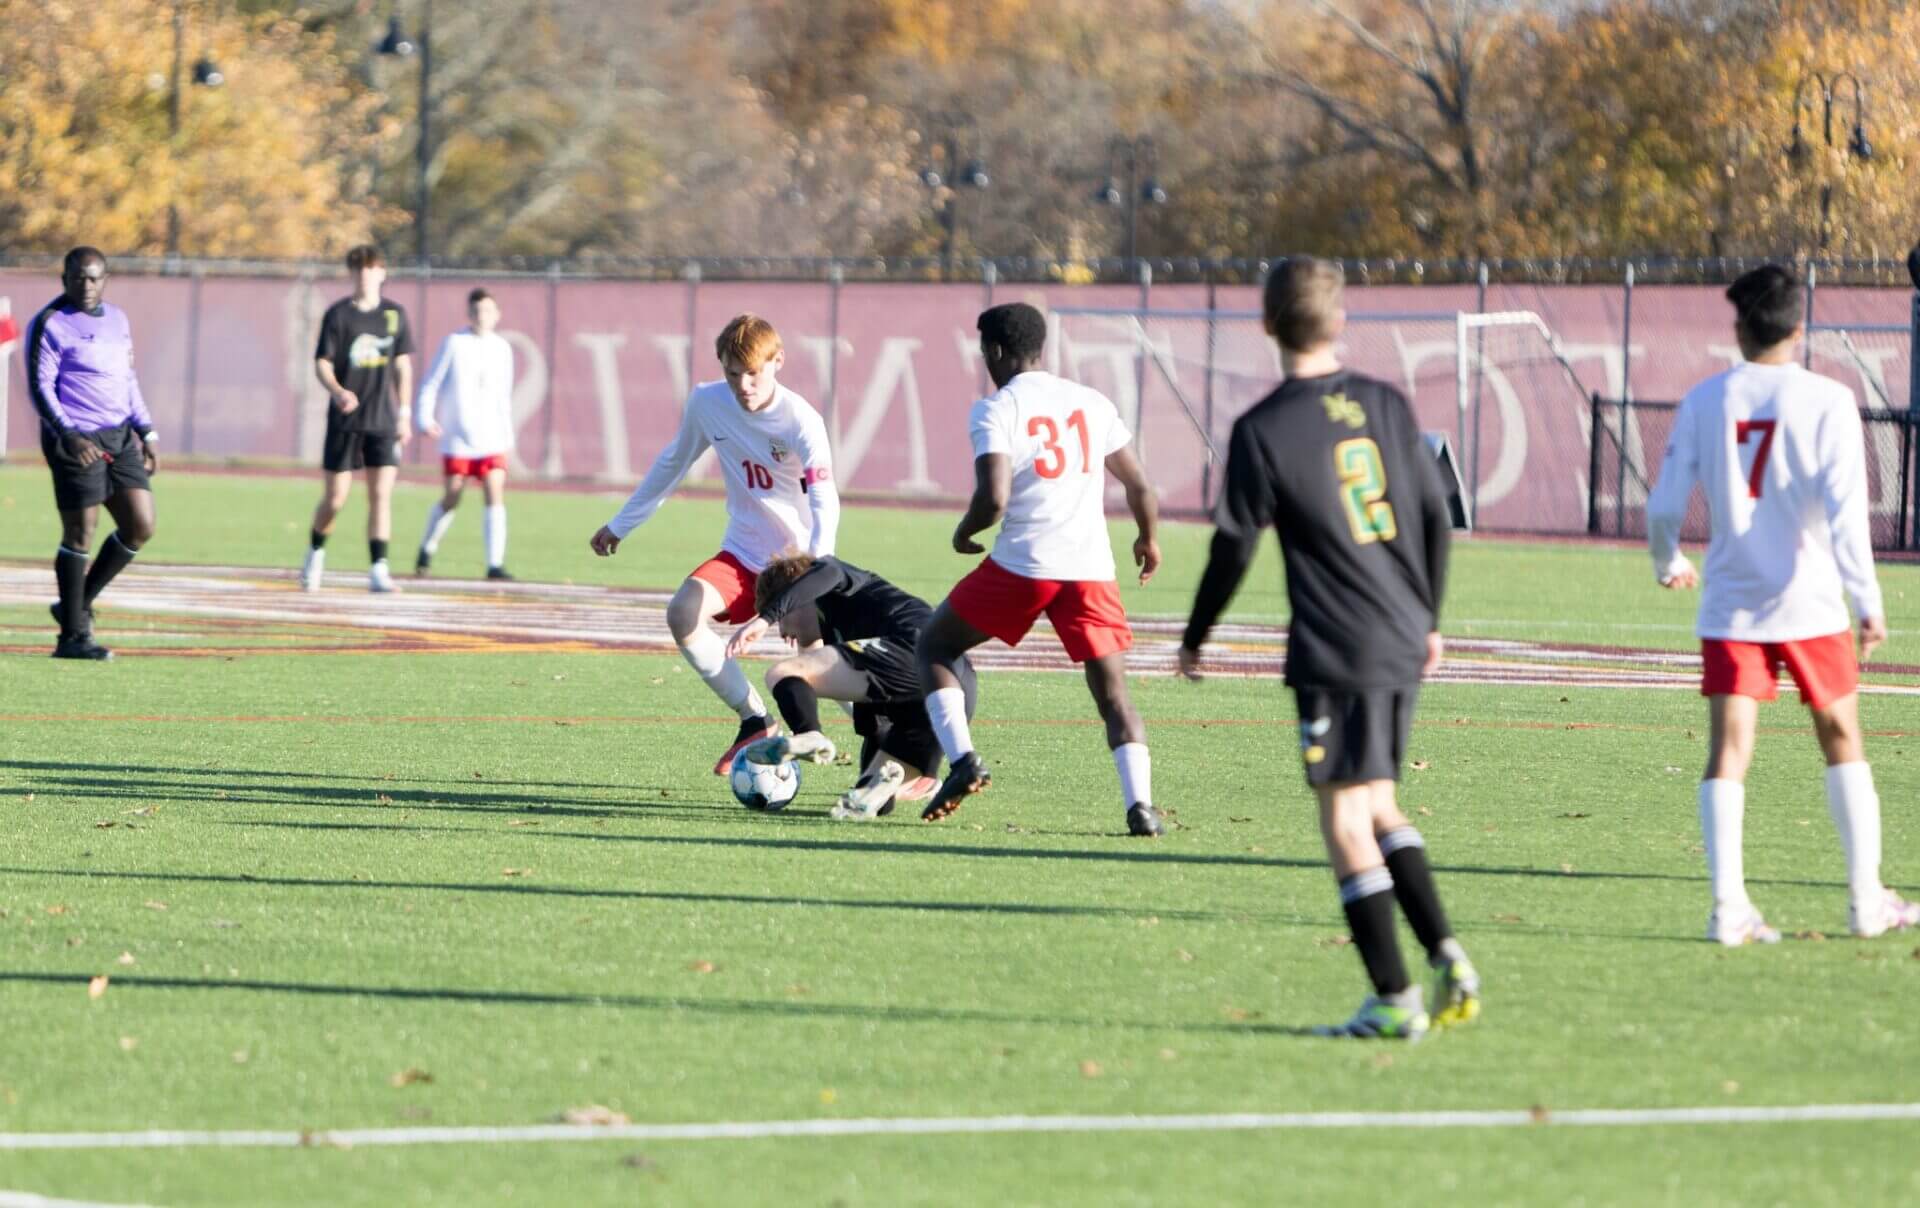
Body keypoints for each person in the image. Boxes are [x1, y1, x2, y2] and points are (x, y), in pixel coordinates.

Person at [1179, 257, 1478, 1041]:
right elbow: (1437, 516)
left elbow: (1234, 547)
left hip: (1338, 645)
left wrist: (1196, 635)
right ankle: (1446, 953)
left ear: (1267, 324)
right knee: (1378, 803)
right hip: (1403, 631)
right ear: (1341, 321)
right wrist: (1430, 618)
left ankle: (1394, 998)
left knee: (1345, 820)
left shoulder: (1263, 428)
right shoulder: (1385, 402)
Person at [1648, 263, 1917, 946]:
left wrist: (1668, 560)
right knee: (1843, 737)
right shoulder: (1829, 400)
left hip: (1732, 603)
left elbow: (1664, 505)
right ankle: (1865, 901)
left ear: (1740, 328)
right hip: (1813, 602)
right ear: (1800, 330)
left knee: (1729, 750)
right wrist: (1867, 600)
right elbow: (1847, 514)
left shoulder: (1706, 399)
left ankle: (1727, 908)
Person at [913, 302, 1165, 837]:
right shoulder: (1091, 401)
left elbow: (994, 498)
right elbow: (1140, 484)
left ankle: (963, 761)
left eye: (984, 351)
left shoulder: (996, 408)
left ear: (995, 351)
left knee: (935, 643)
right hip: (1091, 570)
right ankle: (1141, 807)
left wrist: (964, 532)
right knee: (1114, 695)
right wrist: (1148, 537)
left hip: (1025, 565)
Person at [590, 315, 840, 775]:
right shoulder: (707, 403)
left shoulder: (802, 420)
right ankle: (755, 720)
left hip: (797, 564)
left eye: (753, 373)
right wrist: (622, 524)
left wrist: (815, 574)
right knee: (682, 613)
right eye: (732, 373)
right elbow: (673, 462)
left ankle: (897, 750)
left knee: (822, 665)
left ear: (778, 361)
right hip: (743, 554)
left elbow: (825, 499)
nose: (743, 385)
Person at [727, 552, 976, 819]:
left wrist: (764, 618)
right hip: (955, 688)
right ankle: (887, 786)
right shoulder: (844, 632)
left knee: (781, 672)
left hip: (916, 651)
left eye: (781, 617)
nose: (782, 632)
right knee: (866, 797)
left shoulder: (833, 578)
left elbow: (828, 571)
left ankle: (810, 735)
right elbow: (877, 727)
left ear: (796, 593)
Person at [27, 247, 159, 661]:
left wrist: (146, 429)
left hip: (119, 436)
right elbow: (40, 387)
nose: (85, 285)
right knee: (80, 533)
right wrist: (69, 435)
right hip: (74, 438)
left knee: (140, 524)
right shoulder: (50, 322)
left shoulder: (118, 319)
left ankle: (75, 603)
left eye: (93, 278)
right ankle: (71, 637)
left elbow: (128, 379)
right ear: (64, 279)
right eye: (78, 277)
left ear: (105, 280)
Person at [303, 244, 414, 593]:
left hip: (382, 419)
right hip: (346, 420)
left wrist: (404, 413)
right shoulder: (338, 315)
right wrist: (337, 391)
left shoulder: (394, 315)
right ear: (352, 273)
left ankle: (379, 568)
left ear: (382, 272)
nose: (365, 274)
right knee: (336, 498)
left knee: (381, 495)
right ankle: (315, 552)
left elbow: (402, 366)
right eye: (359, 268)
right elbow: (322, 362)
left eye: (371, 268)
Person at [414, 287, 516, 580]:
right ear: (469, 314)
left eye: (487, 310)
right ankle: (427, 547)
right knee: (452, 497)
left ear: (497, 315)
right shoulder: (454, 343)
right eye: (476, 311)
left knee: (494, 493)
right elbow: (431, 383)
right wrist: (424, 419)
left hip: (492, 438)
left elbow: (504, 396)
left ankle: (494, 564)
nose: (482, 316)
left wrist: (508, 435)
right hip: (458, 438)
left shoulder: (502, 348)